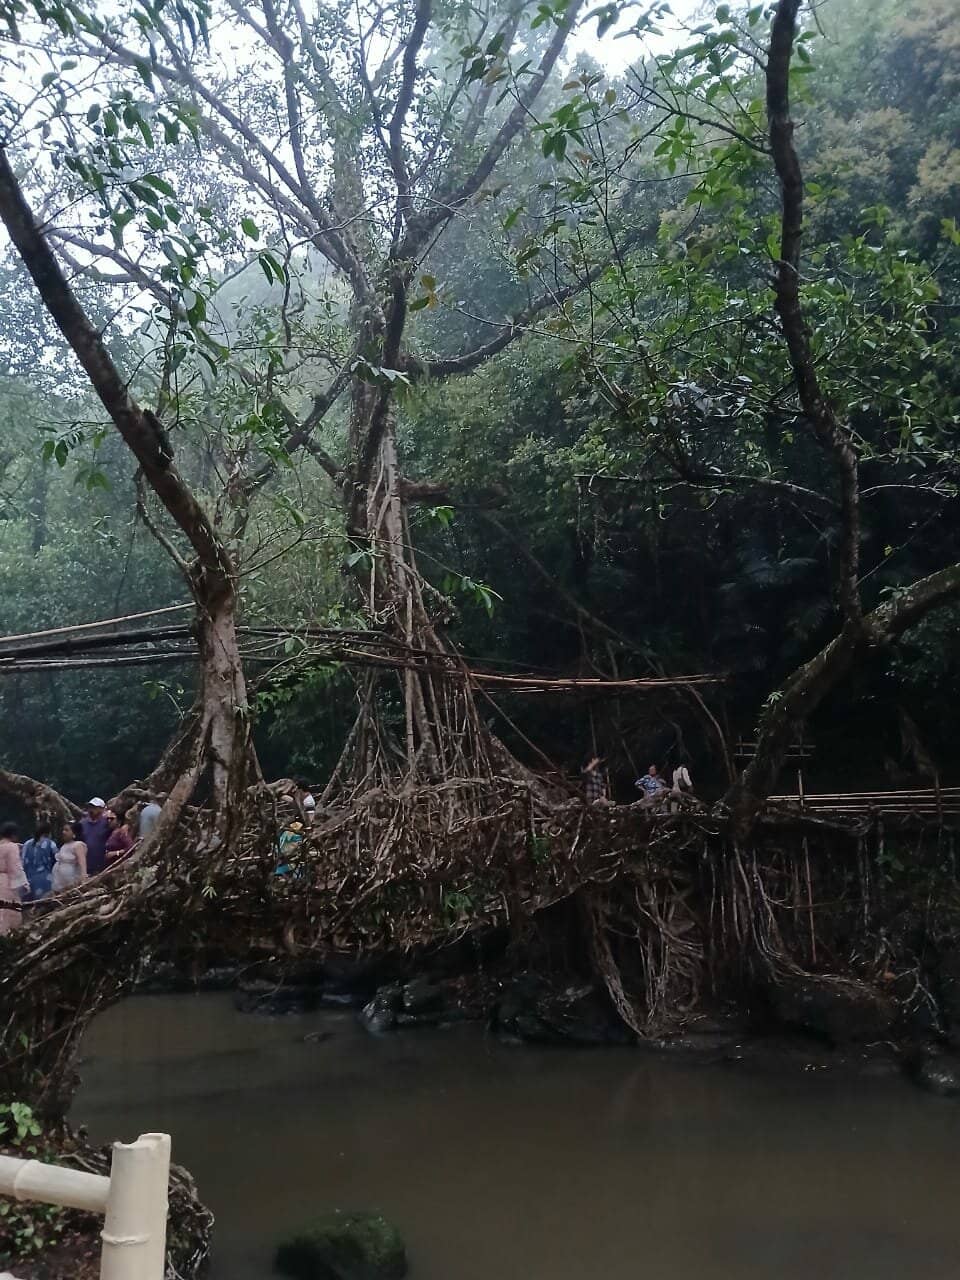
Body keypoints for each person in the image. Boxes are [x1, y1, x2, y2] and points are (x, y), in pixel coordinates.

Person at [0, 822, 28, 934]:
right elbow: (15, 867)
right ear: (14, 835)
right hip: (7, 882)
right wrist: (24, 884)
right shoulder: (12, 847)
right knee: (8, 910)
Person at [21, 821, 57, 901]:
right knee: (44, 904)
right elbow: (57, 860)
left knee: (28, 905)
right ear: (49, 832)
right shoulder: (51, 844)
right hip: (45, 878)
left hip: (28, 879)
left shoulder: (27, 844)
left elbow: (22, 863)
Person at [78, 797, 111, 875]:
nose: (91, 809)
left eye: (95, 807)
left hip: (102, 863)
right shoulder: (82, 823)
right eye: (90, 807)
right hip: (86, 863)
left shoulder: (107, 822)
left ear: (101, 809)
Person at [52, 821, 87, 893]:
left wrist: (83, 880)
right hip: (60, 883)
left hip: (72, 883)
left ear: (74, 833)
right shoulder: (64, 845)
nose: (63, 832)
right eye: (63, 830)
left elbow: (82, 863)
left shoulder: (78, 845)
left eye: (67, 830)